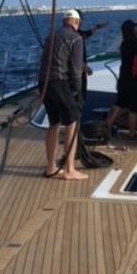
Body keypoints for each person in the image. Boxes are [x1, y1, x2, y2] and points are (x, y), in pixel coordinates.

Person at [38, 9, 88, 180]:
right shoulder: (76, 38)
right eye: (79, 23)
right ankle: (69, 169)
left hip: (44, 83)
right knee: (72, 122)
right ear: (75, 22)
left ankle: (51, 167)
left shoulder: (50, 36)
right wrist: (79, 90)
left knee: (54, 123)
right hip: (59, 82)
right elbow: (75, 70)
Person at [76, 9, 109, 94]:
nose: (82, 21)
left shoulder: (78, 33)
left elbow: (87, 33)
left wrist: (98, 26)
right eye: (81, 19)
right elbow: (72, 55)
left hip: (80, 72)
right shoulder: (72, 35)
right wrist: (85, 67)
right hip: (76, 73)